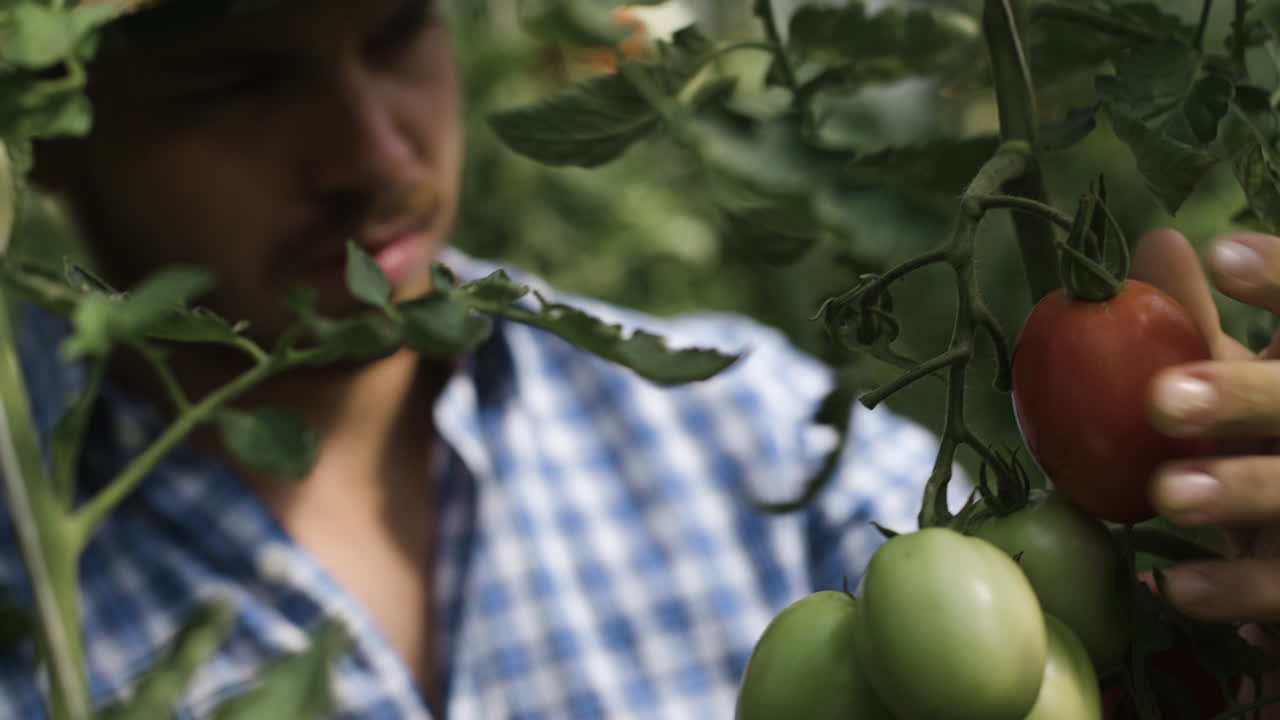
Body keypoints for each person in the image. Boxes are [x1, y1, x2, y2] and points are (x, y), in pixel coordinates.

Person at [0, 0, 1277, 718]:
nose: (375, 157)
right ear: (45, 135)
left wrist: (1225, 587)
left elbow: (1106, 653)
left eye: (395, 33)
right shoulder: (25, 581)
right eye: (235, 84)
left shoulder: (730, 421)